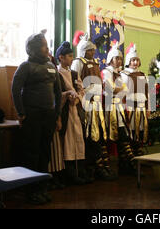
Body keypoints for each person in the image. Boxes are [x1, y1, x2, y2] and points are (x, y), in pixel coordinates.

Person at [12, 30, 62, 205]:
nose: (47, 48)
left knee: (44, 153)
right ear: (33, 49)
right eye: (43, 45)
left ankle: (41, 188)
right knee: (31, 153)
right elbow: (15, 89)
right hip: (32, 116)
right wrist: (21, 112)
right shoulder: (25, 67)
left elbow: (58, 91)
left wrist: (57, 116)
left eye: (47, 45)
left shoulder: (52, 66)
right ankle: (31, 190)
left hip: (49, 115)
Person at [71, 32, 114, 181]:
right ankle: (94, 167)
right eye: (89, 49)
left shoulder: (95, 62)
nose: (93, 51)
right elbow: (76, 82)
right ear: (83, 50)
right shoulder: (78, 62)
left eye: (93, 49)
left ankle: (102, 166)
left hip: (97, 104)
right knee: (90, 136)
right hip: (86, 104)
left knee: (100, 134)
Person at [54, 41, 93, 186]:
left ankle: (80, 171)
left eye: (72, 56)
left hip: (75, 109)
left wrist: (76, 100)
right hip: (65, 112)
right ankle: (69, 173)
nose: (71, 59)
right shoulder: (57, 74)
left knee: (79, 139)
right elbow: (57, 93)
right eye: (69, 56)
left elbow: (81, 90)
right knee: (68, 141)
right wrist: (67, 96)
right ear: (61, 58)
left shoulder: (74, 73)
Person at [102, 42, 131, 179]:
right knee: (111, 136)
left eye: (120, 58)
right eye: (116, 58)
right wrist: (121, 89)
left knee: (123, 136)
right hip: (110, 108)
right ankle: (106, 167)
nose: (119, 60)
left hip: (119, 107)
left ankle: (126, 164)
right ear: (110, 59)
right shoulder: (106, 72)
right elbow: (110, 89)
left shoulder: (119, 74)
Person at [121, 43, 149, 175]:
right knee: (131, 134)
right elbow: (123, 93)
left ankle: (139, 160)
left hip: (141, 108)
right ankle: (129, 162)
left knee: (140, 134)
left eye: (137, 60)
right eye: (133, 60)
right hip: (130, 108)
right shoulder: (125, 75)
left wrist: (148, 108)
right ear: (128, 61)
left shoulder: (143, 74)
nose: (135, 62)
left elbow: (147, 92)